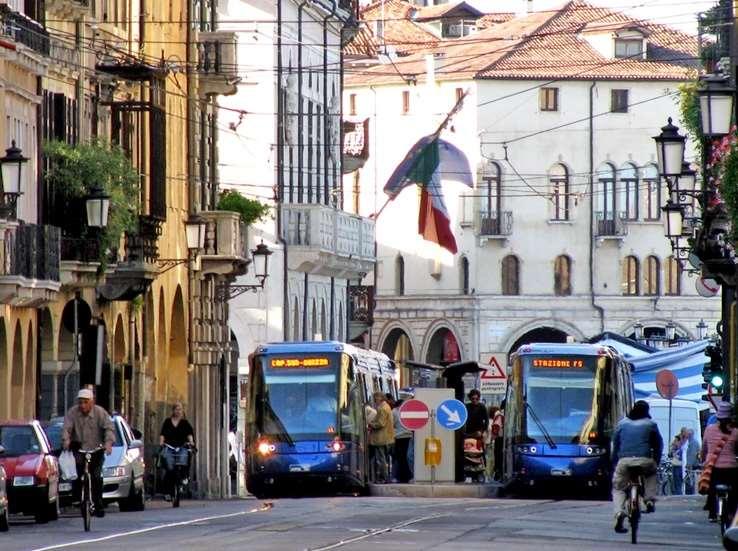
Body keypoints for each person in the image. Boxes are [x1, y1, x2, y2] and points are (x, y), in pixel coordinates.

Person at [611, 400, 663, 534]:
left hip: (624, 461)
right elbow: (658, 445)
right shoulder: (651, 424)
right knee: (651, 474)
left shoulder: (622, 424)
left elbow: (615, 444)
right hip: (645, 461)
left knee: (619, 488)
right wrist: (656, 461)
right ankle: (649, 500)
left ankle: (619, 512)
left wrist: (614, 461)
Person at [61, 388, 115, 518]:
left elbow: (109, 429)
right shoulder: (72, 413)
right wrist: (66, 440)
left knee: (96, 476)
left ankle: (98, 502)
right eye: (80, 402)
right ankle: (79, 498)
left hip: (96, 449)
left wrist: (108, 443)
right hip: (79, 448)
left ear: (92, 402)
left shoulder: (100, 413)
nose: (82, 405)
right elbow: (66, 428)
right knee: (78, 474)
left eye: (85, 402)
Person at [701, 401, 738, 522]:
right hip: (731, 467)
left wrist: (703, 460)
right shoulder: (736, 432)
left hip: (713, 466)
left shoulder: (709, 430)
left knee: (712, 488)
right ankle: (732, 512)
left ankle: (712, 513)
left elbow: (704, 448)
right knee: (734, 491)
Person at [159, 402, 195, 499]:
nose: (178, 411)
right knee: (169, 466)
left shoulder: (185, 423)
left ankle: (184, 477)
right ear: (173, 410)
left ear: (182, 411)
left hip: (181, 446)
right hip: (170, 446)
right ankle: (168, 490)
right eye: (176, 409)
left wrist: (191, 442)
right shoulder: (167, 422)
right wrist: (161, 443)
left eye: (180, 409)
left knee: (183, 460)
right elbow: (162, 434)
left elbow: (189, 434)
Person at [368, 392, 394, 483]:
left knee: (380, 459)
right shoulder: (387, 407)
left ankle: (383, 478)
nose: (374, 401)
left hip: (380, 438)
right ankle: (384, 477)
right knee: (384, 459)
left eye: (375, 398)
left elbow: (380, 423)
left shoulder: (382, 408)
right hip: (387, 437)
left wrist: (370, 424)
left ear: (380, 398)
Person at [392, 398, 412, 483]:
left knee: (399, 458)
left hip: (398, 437)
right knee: (406, 457)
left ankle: (399, 476)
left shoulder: (393, 412)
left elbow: (391, 424)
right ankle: (407, 476)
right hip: (408, 436)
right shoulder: (408, 411)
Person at [669, 428, 688, 495]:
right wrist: (674, 452)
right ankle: (678, 494)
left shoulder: (686, 440)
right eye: (685, 433)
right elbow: (672, 450)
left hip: (681, 464)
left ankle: (680, 493)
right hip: (677, 464)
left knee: (680, 480)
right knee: (678, 480)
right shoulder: (677, 440)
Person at [492, 400, 505, 481]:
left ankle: (498, 472)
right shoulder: (501, 414)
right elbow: (497, 426)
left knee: (498, 456)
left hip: (499, 439)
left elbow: (495, 427)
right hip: (502, 438)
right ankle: (499, 472)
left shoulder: (499, 414)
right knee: (500, 456)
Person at [685, 428, 700, 495]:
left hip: (693, 465)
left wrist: (689, 464)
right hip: (693, 464)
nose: (686, 436)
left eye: (688, 434)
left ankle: (690, 494)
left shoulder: (693, 443)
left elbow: (692, 454)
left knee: (691, 480)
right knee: (691, 480)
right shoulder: (692, 442)